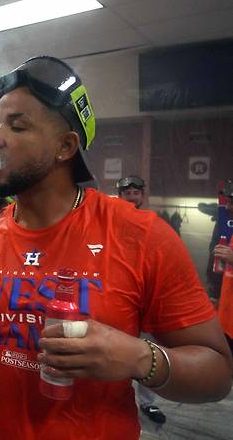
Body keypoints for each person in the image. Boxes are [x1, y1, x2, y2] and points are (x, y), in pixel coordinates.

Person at [0, 56, 232, 439]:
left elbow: (217, 374)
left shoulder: (140, 235)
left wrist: (140, 358)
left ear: (65, 146)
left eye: (17, 125)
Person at [116, 174, 167, 425]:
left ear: (142, 196)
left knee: (148, 352)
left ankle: (148, 402)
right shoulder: (110, 224)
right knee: (115, 351)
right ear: (120, 196)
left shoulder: (155, 224)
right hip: (117, 297)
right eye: (127, 194)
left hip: (145, 296)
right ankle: (110, 396)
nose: (132, 198)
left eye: (136, 193)